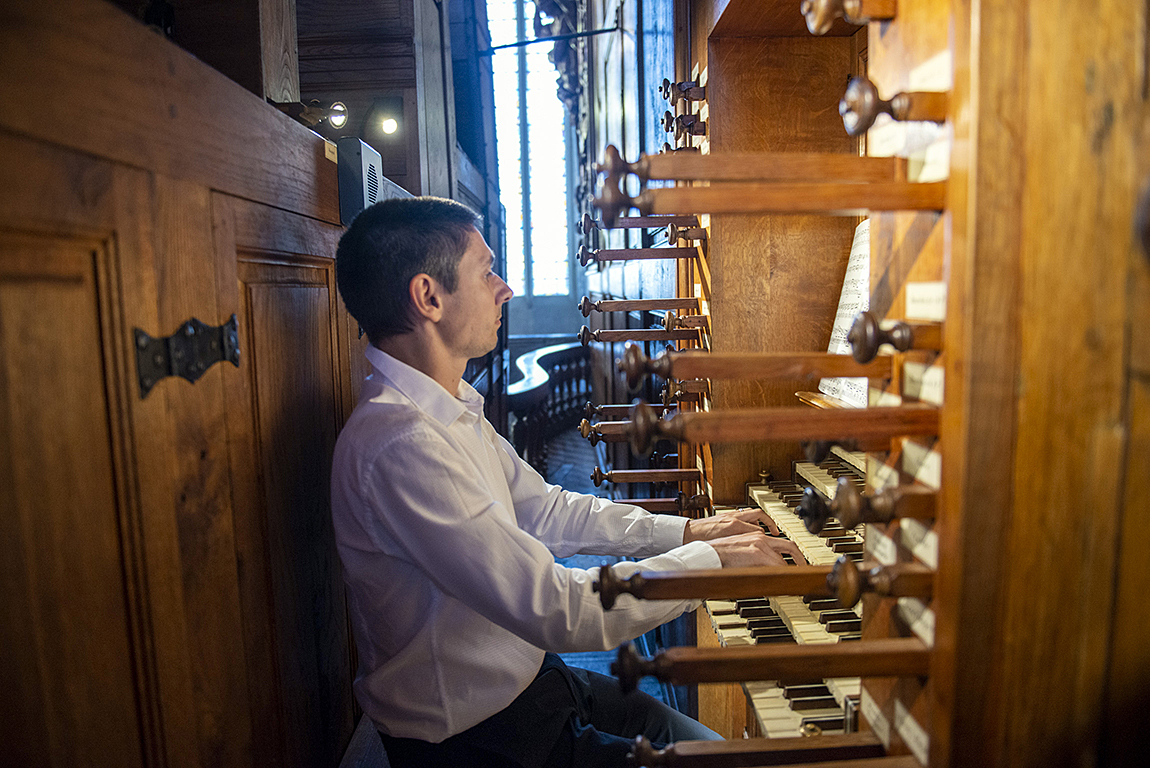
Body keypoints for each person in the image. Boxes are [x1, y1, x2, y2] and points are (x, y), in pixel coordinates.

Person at [330, 196, 804, 768]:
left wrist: (686, 532)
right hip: (477, 738)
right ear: (429, 297)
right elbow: (555, 607)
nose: (503, 288)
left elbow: (548, 510)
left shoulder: (442, 408)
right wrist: (713, 564)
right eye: (486, 273)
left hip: (531, 680)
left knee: (683, 732)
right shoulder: (403, 446)